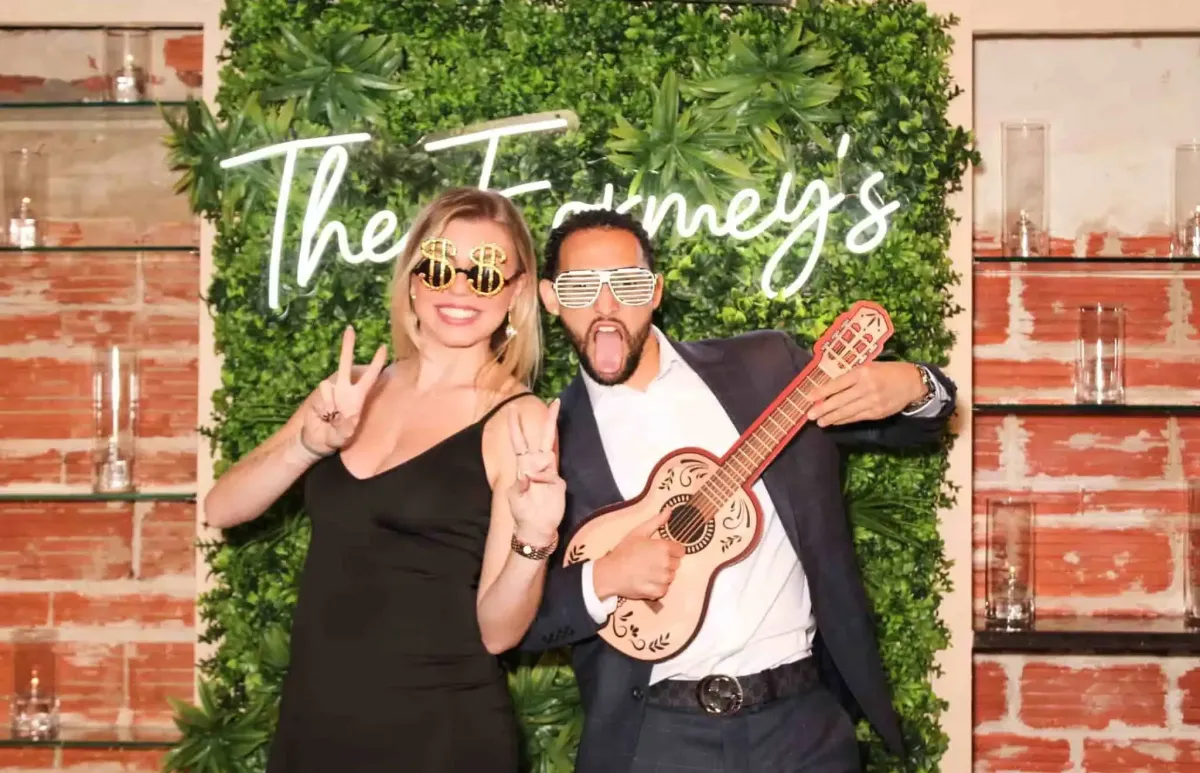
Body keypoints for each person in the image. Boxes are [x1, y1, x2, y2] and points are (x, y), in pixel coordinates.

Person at [518, 208, 957, 773]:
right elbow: (517, 618)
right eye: (582, 287)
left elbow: (906, 424)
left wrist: (916, 385)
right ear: (551, 299)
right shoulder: (547, 441)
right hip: (655, 741)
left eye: (627, 284)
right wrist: (602, 577)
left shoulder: (764, 370)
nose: (606, 306)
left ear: (656, 291)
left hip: (802, 729)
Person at [203, 188, 568, 773]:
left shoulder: (517, 420)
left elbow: (498, 633)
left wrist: (535, 538)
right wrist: (306, 445)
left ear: (515, 293)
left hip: (441, 737)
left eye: (484, 275)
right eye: (441, 266)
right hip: (316, 725)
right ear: (414, 280)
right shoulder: (353, 389)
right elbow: (221, 507)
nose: (459, 290)